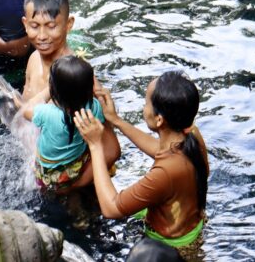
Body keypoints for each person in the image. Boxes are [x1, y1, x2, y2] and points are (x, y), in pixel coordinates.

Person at [75, 72, 209, 261]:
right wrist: (116, 121)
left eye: (146, 103)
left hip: (168, 249)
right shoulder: (191, 134)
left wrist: (95, 145)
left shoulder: (166, 172)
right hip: (186, 226)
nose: (143, 107)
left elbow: (111, 209)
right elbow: (159, 149)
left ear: (159, 119)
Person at [21, 55, 120, 194]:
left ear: (55, 91)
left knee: (43, 183)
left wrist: (49, 89)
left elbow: (26, 110)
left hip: (50, 174)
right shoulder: (95, 107)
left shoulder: (48, 113)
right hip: (76, 167)